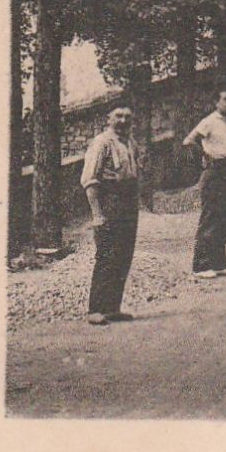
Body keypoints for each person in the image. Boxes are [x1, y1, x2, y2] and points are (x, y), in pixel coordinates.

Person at [81, 106, 140, 325]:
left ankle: (112, 307)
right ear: (109, 119)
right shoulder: (102, 142)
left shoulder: (130, 143)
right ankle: (95, 309)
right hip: (109, 199)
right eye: (118, 116)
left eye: (127, 116)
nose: (123, 120)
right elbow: (89, 180)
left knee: (123, 254)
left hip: (127, 201)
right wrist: (98, 214)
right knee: (106, 254)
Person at [183, 89, 226, 279]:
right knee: (211, 216)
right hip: (214, 170)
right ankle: (201, 266)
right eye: (225, 100)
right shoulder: (209, 121)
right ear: (217, 102)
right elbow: (189, 140)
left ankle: (219, 264)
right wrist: (205, 155)